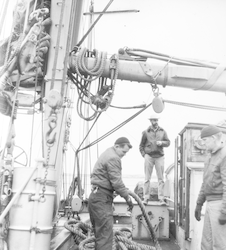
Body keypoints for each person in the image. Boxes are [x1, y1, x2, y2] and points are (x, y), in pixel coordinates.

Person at [88, 137, 134, 250]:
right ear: (117, 146)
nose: (124, 155)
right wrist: (128, 199)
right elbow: (117, 183)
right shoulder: (114, 158)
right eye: (123, 152)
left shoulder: (107, 153)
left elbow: (107, 179)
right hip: (101, 199)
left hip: (96, 197)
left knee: (100, 234)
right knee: (105, 235)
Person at [195, 125, 226, 250]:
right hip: (210, 204)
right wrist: (199, 203)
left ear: (213, 138)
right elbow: (205, 181)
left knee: (219, 245)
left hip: (219, 205)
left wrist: (224, 211)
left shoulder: (224, 155)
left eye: (205, 140)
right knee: (206, 244)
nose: (203, 144)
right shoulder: (209, 155)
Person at [139, 114, 170, 205]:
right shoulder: (146, 132)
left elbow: (168, 142)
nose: (155, 122)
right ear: (150, 121)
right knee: (147, 179)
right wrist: (144, 155)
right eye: (153, 120)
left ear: (158, 121)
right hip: (149, 156)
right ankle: (145, 198)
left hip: (159, 156)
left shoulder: (163, 131)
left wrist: (162, 143)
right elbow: (141, 145)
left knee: (161, 179)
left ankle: (161, 199)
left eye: (156, 120)